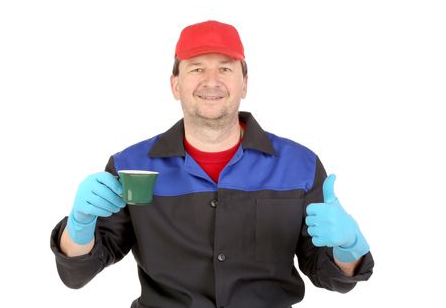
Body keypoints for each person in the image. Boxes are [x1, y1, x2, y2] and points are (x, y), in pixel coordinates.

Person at [50, 20, 374, 308]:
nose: (211, 81)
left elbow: (330, 276)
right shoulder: (130, 166)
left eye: (225, 68)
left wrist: (348, 249)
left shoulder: (298, 165)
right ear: (175, 84)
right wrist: (79, 225)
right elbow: (77, 274)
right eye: (196, 68)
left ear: (244, 83)